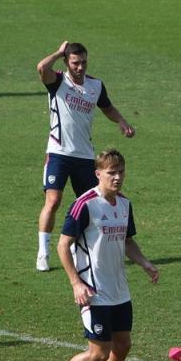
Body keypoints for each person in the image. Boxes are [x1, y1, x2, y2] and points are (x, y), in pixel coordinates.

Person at [36, 149, 159, 361]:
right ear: (98, 174)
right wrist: (75, 283)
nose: (117, 178)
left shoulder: (125, 204)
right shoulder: (85, 204)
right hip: (93, 290)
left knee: (123, 345)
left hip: (119, 290)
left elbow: (127, 241)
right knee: (98, 352)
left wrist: (144, 263)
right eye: (111, 173)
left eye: (121, 172)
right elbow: (63, 244)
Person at [35, 40, 135, 272]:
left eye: (83, 62)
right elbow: (41, 68)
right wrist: (59, 52)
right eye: (75, 63)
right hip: (58, 152)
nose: (80, 67)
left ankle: (77, 244)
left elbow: (107, 108)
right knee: (53, 200)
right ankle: (43, 252)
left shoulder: (96, 86)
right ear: (67, 63)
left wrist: (121, 121)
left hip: (84, 156)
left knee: (93, 202)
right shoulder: (58, 81)